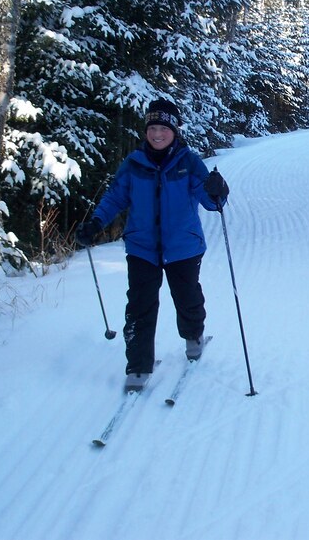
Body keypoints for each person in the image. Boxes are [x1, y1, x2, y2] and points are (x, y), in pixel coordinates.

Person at [75, 98, 230, 391]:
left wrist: (218, 191)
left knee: (187, 298)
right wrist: (96, 222)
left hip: (183, 246)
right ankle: (137, 366)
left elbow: (213, 203)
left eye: (164, 128)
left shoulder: (188, 162)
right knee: (139, 306)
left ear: (175, 130)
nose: (157, 134)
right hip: (142, 247)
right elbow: (115, 197)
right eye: (152, 128)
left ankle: (193, 336)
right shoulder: (134, 164)